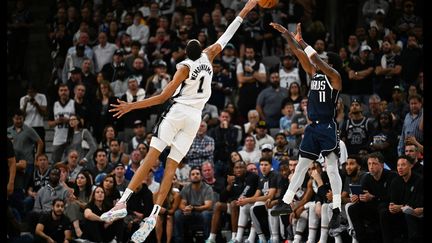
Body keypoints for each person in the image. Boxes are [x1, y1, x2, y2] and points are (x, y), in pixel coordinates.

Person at [100, 1, 259, 242]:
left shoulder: (184, 67)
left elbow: (163, 97)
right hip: (195, 118)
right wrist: (246, 9)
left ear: (187, 52)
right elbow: (230, 31)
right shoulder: (209, 55)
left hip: (178, 112)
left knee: (150, 158)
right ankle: (154, 214)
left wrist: (131, 105)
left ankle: (123, 202)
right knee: (171, 166)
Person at [270, 22, 344, 229]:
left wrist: (303, 41)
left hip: (328, 126)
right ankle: (286, 202)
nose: (322, 62)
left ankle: (336, 208)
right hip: (312, 127)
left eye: (326, 61)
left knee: (331, 167)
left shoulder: (335, 78)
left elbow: (318, 61)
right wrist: (287, 35)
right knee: (302, 165)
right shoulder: (313, 74)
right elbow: (296, 52)